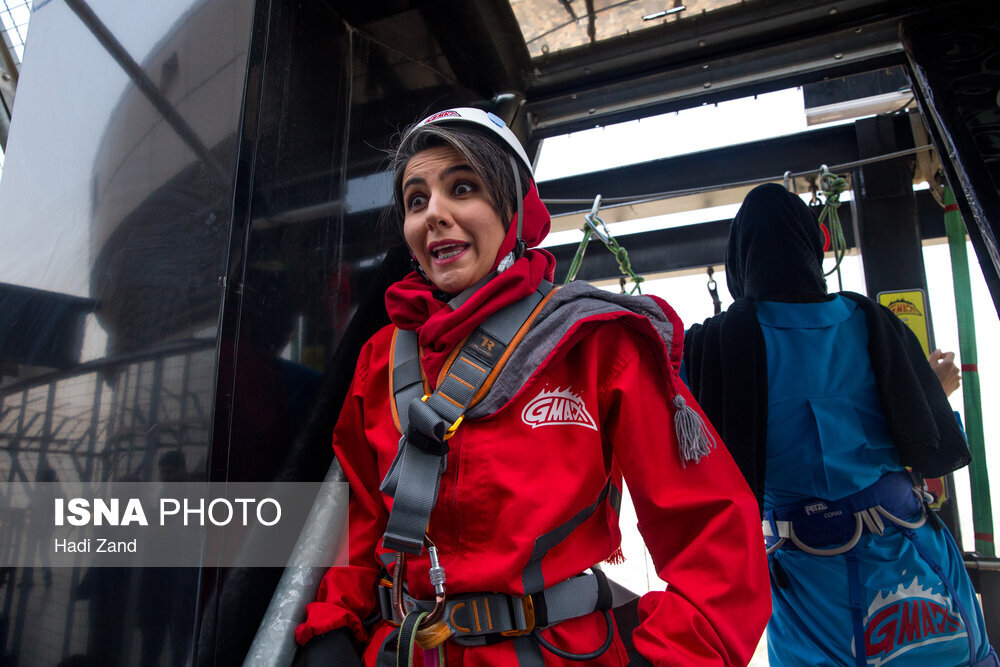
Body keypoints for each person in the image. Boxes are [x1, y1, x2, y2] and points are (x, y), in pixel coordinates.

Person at [294, 107, 769, 665]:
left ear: (517, 210)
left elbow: (711, 526)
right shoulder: (382, 358)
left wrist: (673, 655)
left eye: (462, 187)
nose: (434, 215)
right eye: (416, 200)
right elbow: (358, 522)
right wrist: (334, 626)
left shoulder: (597, 343)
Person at [682, 183, 995, 667]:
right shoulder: (876, 323)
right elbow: (929, 442)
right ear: (814, 246)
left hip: (809, 586)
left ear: (738, 261)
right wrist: (932, 388)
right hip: (920, 562)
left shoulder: (712, 349)